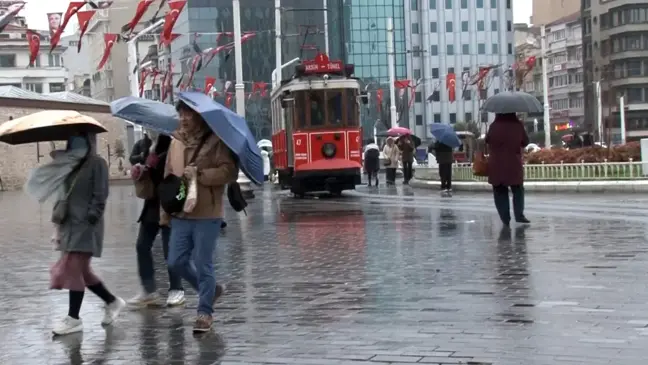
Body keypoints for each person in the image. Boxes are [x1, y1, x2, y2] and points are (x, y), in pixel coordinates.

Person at [25, 134, 125, 336]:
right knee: (83, 272)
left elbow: (100, 195)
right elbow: (62, 196)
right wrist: (57, 226)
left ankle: (73, 318)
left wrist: (91, 218)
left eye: (79, 139)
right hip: (70, 224)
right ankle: (112, 301)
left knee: (73, 269)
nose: (75, 144)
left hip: (87, 225)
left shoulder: (97, 164)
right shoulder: (69, 164)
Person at [162, 101, 238, 333]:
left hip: (207, 212)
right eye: (181, 113)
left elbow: (229, 172)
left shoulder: (217, 141)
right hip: (181, 213)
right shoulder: (175, 141)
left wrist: (200, 174)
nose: (184, 118)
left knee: (203, 262)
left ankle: (205, 312)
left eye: (189, 113)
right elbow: (169, 177)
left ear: (200, 116)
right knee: (175, 261)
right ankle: (211, 290)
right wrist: (165, 211)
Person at [128, 134, 186, 307]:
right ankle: (149, 290)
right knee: (142, 246)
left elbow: (175, 171)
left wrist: (156, 162)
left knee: (170, 250)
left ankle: (177, 289)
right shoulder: (144, 144)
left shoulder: (171, 143)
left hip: (168, 202)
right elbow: (134, 157)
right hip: (152, 203)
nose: (149, 130)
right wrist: (141, 166)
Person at [485, 113, 531, 226]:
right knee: (518, 190)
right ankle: (519, 215)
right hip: (513, 164)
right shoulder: (517, 125)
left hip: (496, 165)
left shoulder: (494, 126)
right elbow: (525, 142)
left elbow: (487, 140)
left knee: (500, 191)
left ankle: (505, 218)